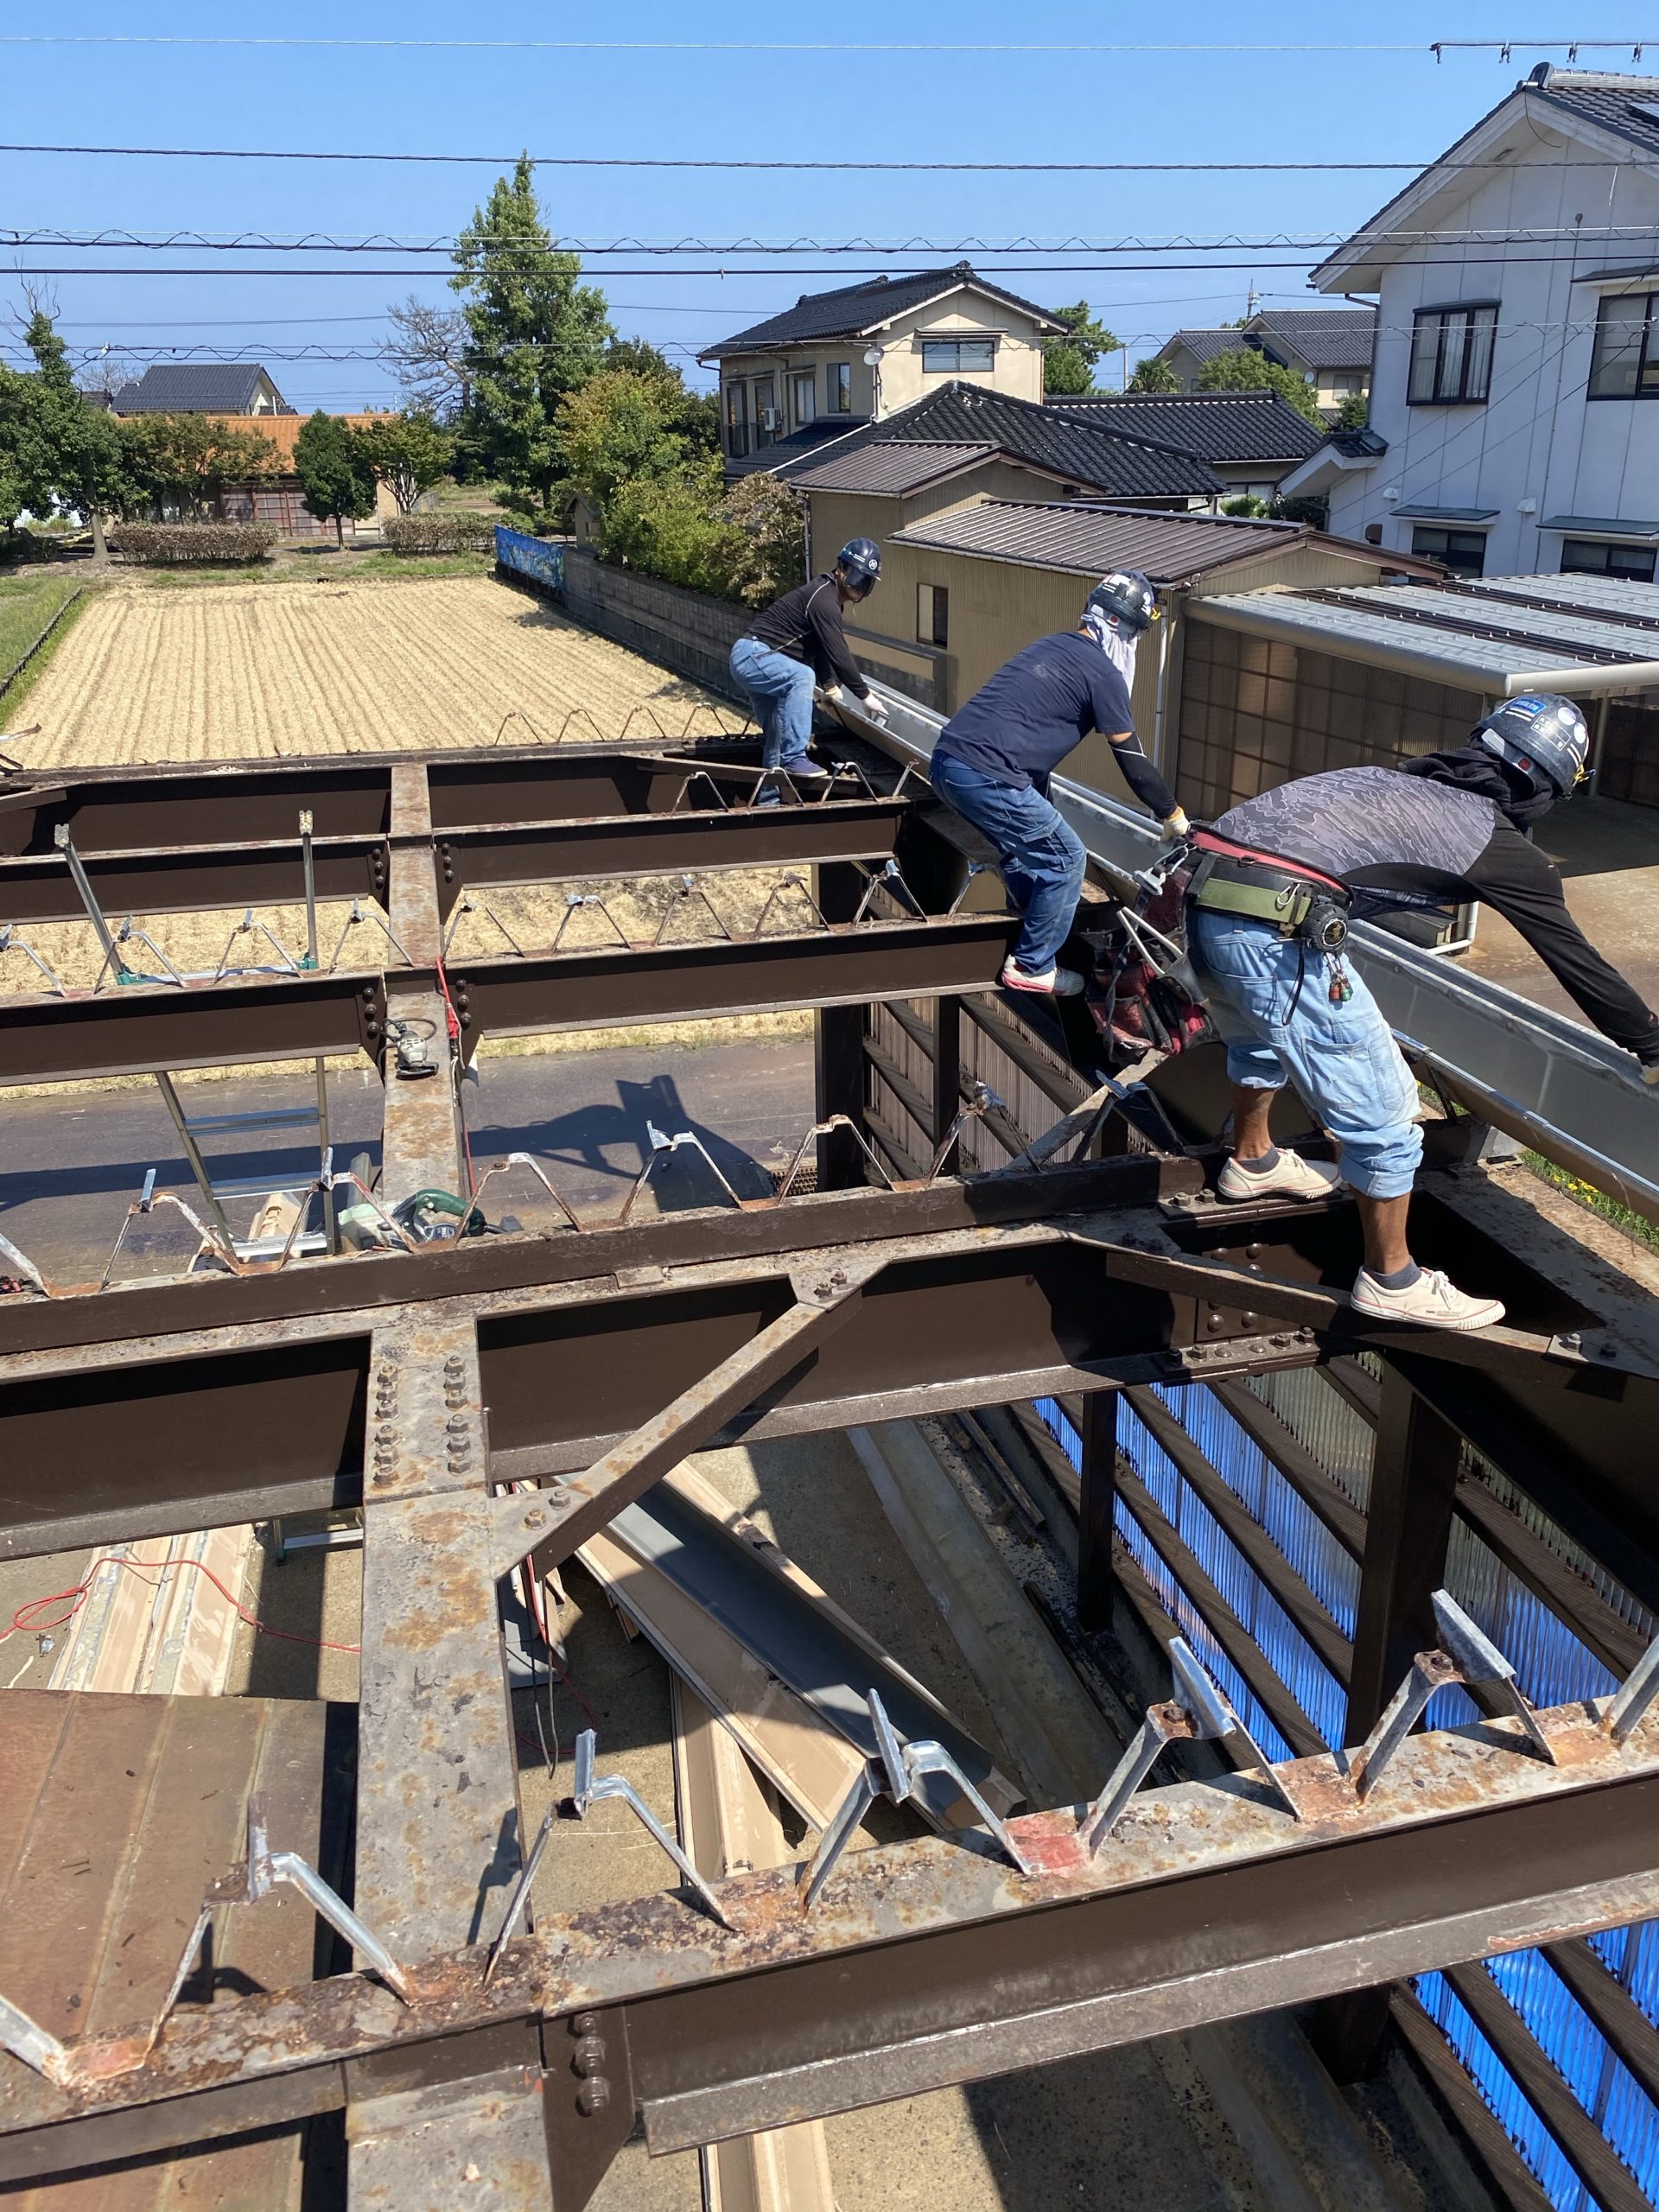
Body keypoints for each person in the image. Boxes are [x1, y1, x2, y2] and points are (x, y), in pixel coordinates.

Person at [1185, 693, 1659, 1331]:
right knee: (1386, 1107)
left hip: (1203, 899)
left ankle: (1255, 1160)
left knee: (1261, 1037)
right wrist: (1651, 1045)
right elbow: (1578, 963)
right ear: (1544, 787)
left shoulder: (1392, 779)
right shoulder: (1496, 844)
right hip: (1274, 928)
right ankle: (1392, 1279)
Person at [929, 571, 1190, 996]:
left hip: (947, 764)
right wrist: (1172, 815)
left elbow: (1023, 730)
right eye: (1136, 634)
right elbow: (1131, 760)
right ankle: (1032, 964)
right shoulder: (1103, 674)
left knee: (1021, 842)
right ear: (1122, 627)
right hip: (987, 774)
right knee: (1066, 859)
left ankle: (1032, 909)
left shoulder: (1053, 644)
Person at [729, 539, 887, 802]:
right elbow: (839, 653)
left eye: (866, 583)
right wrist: (865, 696)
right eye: (858, 578)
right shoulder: (824, 599)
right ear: (841, 568)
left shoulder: (828, 599)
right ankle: (795, 758)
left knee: (777, 735)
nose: (859, 588)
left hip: (761, 660)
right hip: (754, 656)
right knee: (802, 676)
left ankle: (769, 803)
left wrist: (830, 687)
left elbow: (821, 647)